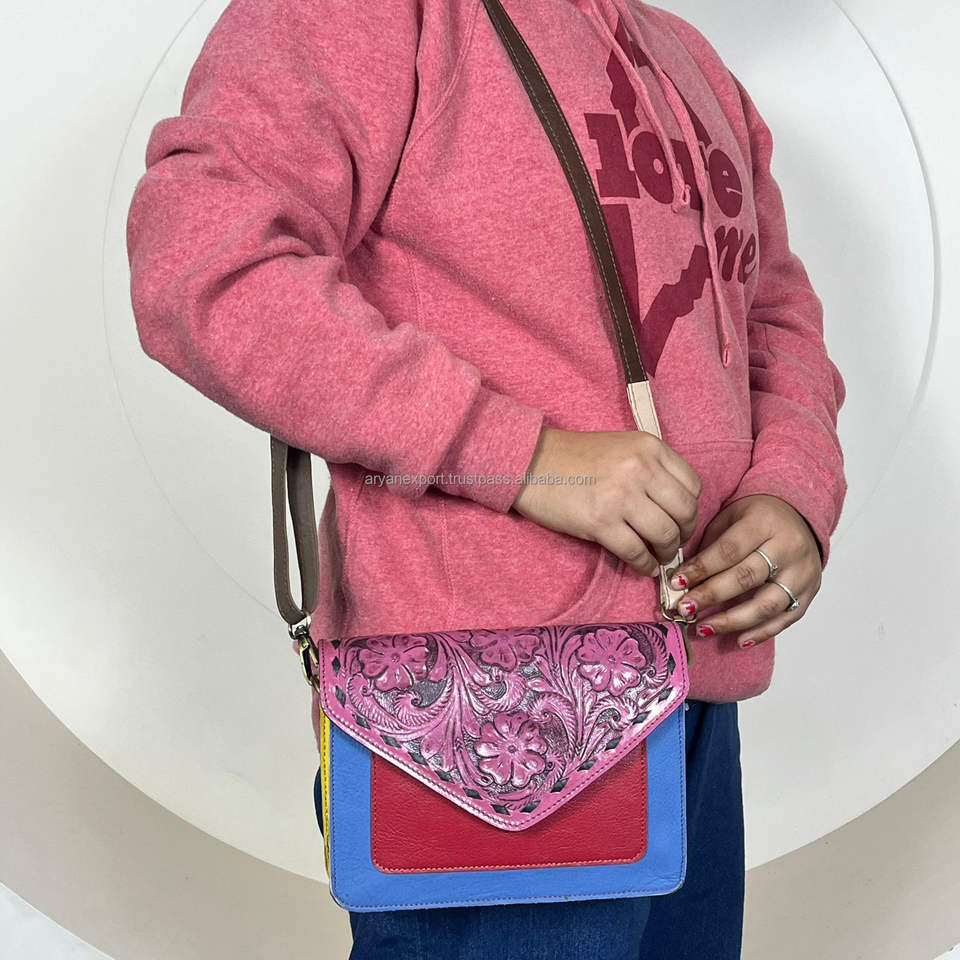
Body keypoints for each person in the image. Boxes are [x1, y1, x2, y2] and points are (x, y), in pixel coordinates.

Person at [125, 0, 847, 956]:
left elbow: (772, 309)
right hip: (486, 713)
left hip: (697, 699)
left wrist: (792, 488)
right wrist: (527, 457)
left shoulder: (690, 59)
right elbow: (198, 266)